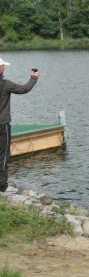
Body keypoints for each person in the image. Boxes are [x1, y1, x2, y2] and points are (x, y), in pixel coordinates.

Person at [0, 57, 39, 192]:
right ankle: (2, 185)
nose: (4, 68)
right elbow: (24, 89)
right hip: (3, 125)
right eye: (3, 66)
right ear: (0, 69)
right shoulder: (6, 84)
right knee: (3, 154)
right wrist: (33, 78)